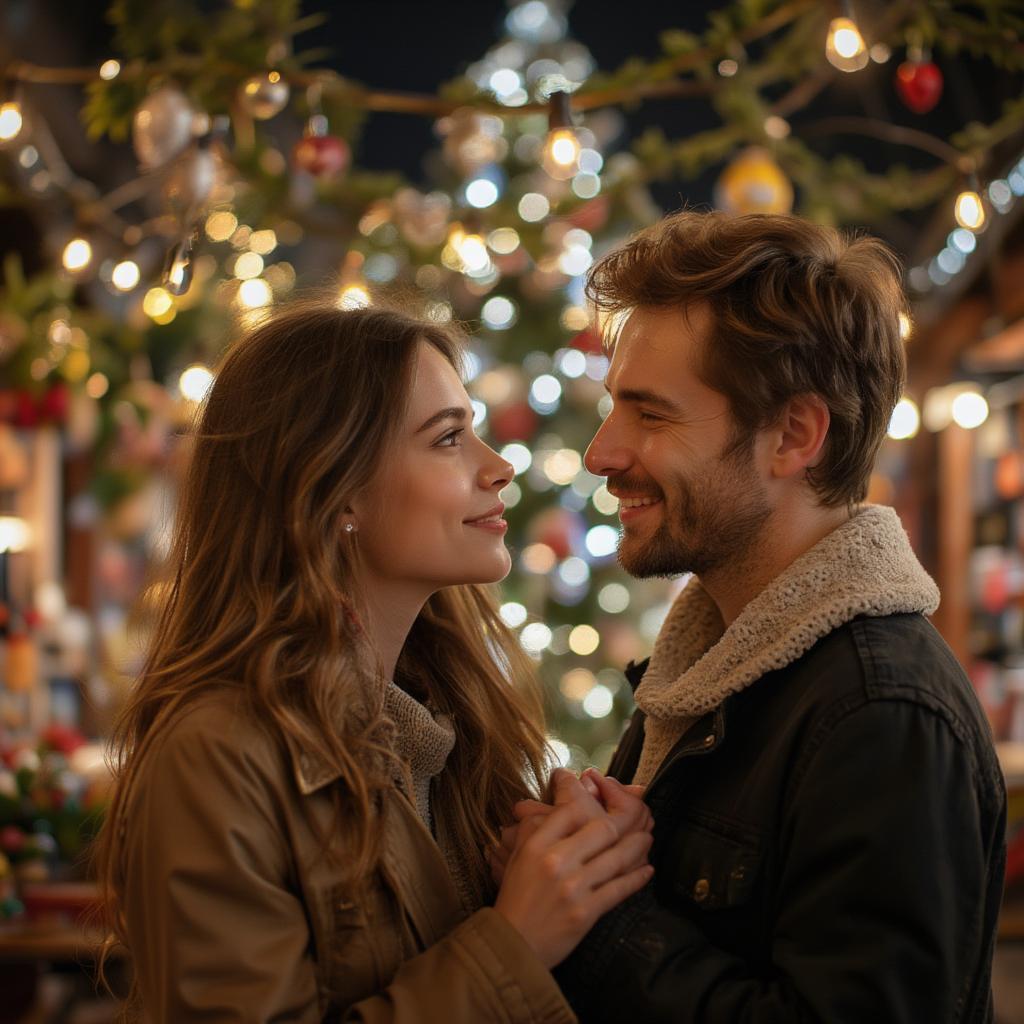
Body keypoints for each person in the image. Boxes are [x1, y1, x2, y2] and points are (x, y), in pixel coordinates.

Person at [93, 302, 655, 1022]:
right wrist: (516, 940)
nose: (499, 466)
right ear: (334, 491)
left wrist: (572, 863)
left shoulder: (450, 727)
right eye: (449, 438)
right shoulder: (219, 755)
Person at [519, 212, 1006, 1022]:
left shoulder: (879, 716)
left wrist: (601, 921)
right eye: (614, 406)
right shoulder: (706, 672)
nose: (601, 451)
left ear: (793, 434)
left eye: (651, 412)